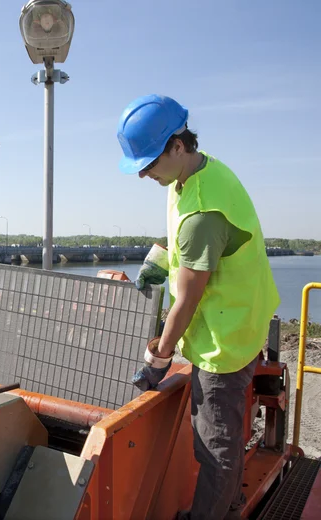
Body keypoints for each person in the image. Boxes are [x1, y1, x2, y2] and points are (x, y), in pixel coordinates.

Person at [117, 95, 280, 520]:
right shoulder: (194, 172)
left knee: (214, 444)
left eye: (149, 163)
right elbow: (184, 242)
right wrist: (159, 261)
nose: (144, 174)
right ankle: (231, 501)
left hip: (224, 340)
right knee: (220, 434)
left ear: (177, 146)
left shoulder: (203, 214)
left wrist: (158, 358)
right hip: (241, 314)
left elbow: (187, 300)